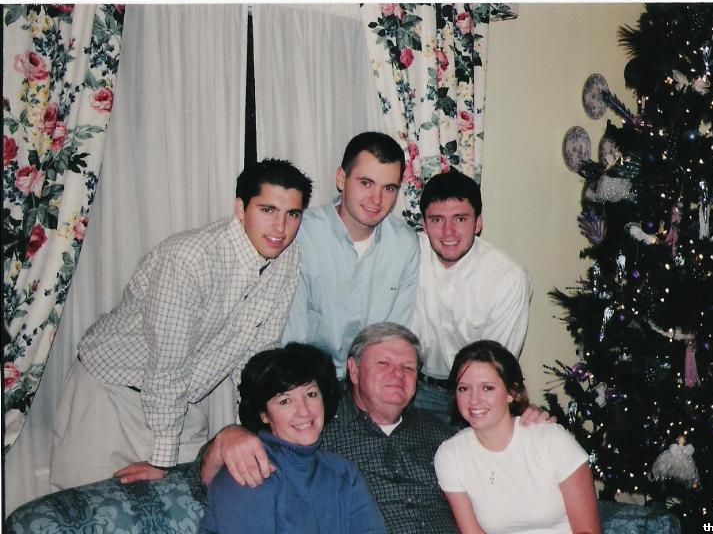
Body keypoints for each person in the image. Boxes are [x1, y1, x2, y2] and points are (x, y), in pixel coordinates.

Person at [50, 159, 313, 489]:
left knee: (194, 502)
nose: (280, 227)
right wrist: (162, 458)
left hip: (179, 403)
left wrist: (251, 426)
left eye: (292, 214)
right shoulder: (190, 259)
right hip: (108, 396)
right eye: (267, 210)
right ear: (240, 208)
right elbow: (167, 363)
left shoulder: (287, 257)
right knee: (90, 509)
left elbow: (256, 356)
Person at [199, 323, 552, 533]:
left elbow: (504, 468)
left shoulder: (443, 435)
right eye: (384, 363)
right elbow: (208, 480)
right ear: (353, 371)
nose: (398, 375)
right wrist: (226, 438)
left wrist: (524, 418)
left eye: (408, 367)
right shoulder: (319, 433)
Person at [199, 343, 385, 534]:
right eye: (285, 401)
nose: (304, 411)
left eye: (311, 394)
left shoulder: (344, 472)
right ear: (264, 414)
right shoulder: (249, 469)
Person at [280, 132, 419, 379]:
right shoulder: (302, 234)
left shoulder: (405, 244)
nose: (377, 199)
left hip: (371, 380)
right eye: (366, 183)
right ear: (341, 179)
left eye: (389, 188)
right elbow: (293, 336)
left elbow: (394, 337)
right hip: (308, 378)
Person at [434, 340, 601, 534]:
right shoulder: (450, 455)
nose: (474, 399)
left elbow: (588, 531)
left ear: (511, 393)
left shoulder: (551, 439)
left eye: (487, 388)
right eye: (464, 388)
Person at [413, 171, 532, 421]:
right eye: (437, 219)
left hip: (472, 393)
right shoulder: (408, 255)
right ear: (423, 224)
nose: (448, 231)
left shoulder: (506, 278)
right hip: (411, 388)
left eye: (460, 218)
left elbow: (495, 367)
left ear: (477, 223)